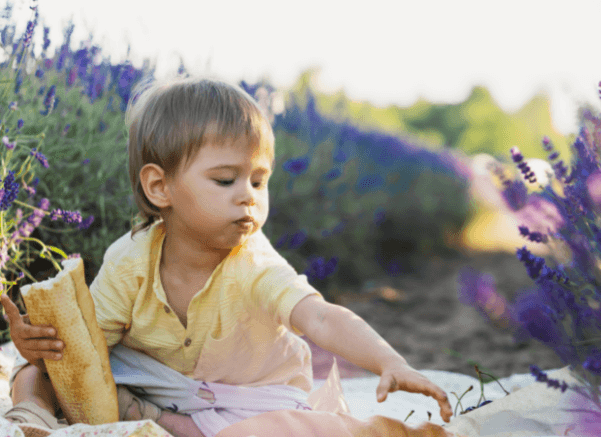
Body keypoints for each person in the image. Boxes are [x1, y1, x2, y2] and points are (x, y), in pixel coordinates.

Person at [0, 77, 454, 437]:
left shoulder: (252, 262)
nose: (248, 198)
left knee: (280, 432)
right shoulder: (131, 260)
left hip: (247, 395)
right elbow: (89, 349)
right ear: (160, 187)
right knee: (42, 365)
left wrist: (389, 361)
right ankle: (33, 415)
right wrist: (41, 345)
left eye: (259, 180)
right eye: (225, 181)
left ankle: (163, 423)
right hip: (159, 381)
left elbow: (320, 318)